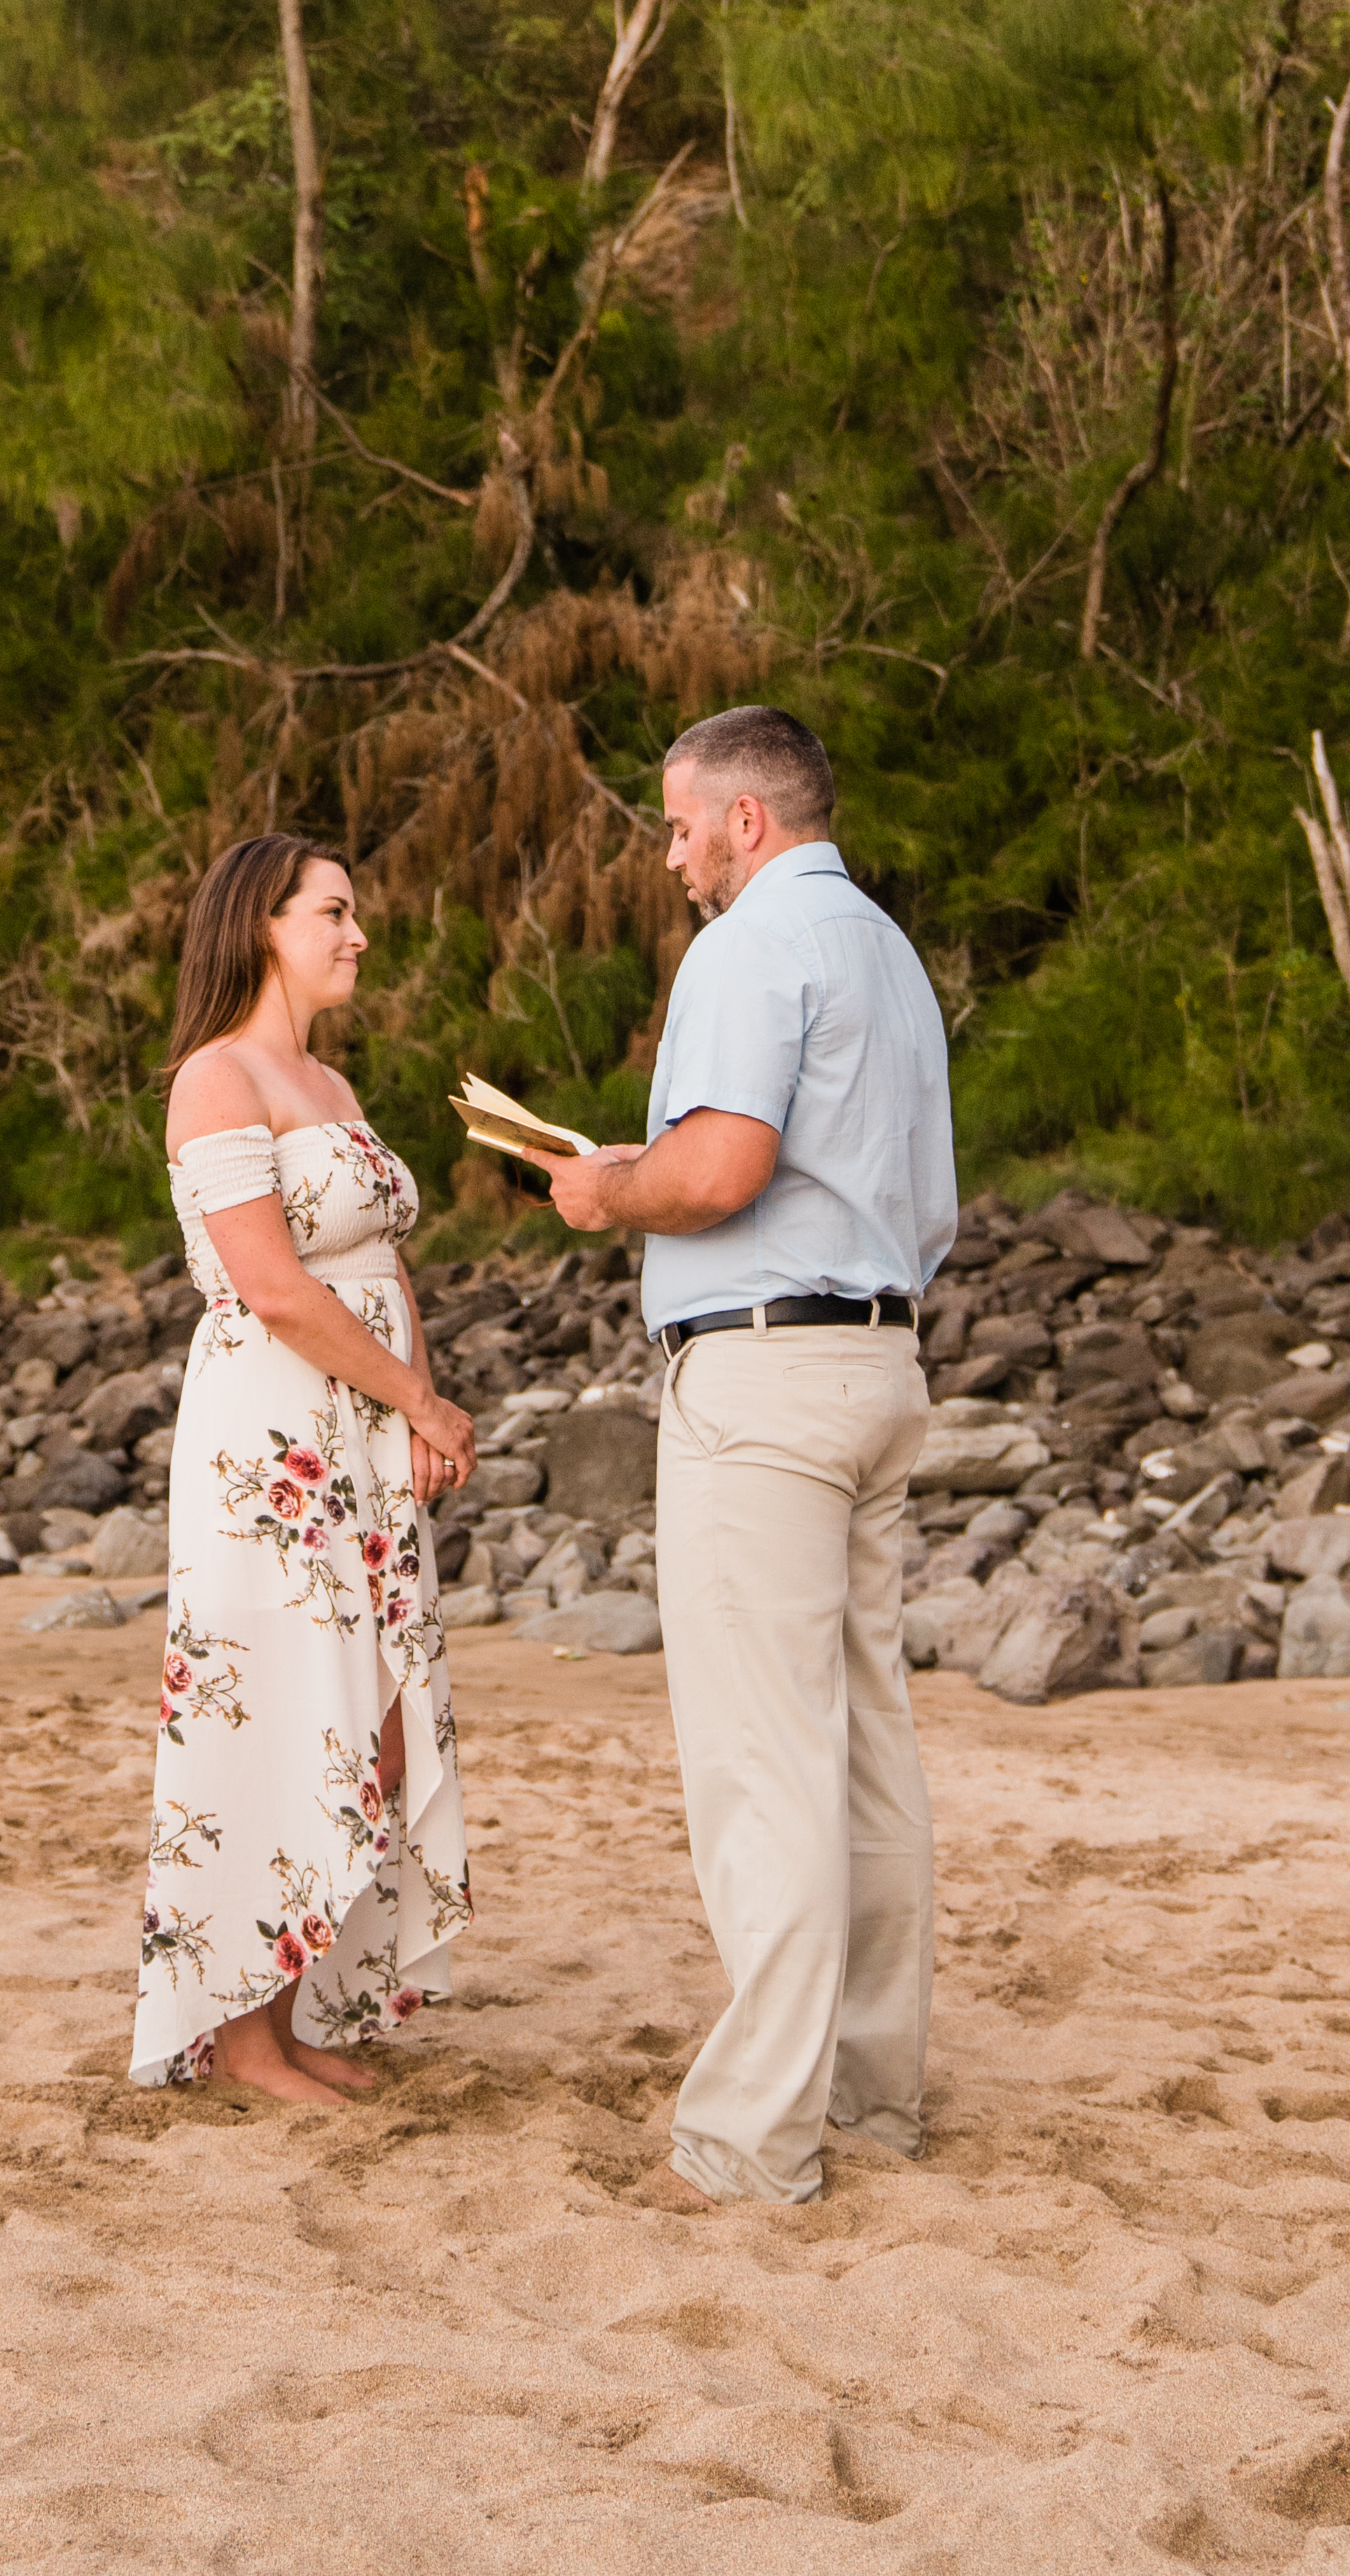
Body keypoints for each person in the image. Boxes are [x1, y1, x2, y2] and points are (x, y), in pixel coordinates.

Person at [548, 704, 956, 2205]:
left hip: (768, 1377)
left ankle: (752, 2138)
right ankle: (872, 2096)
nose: (665, 859)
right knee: (862, 1743)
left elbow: (718, 1171)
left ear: (741, 820)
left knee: (759, 1761)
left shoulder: (746, 946)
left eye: (673, 827)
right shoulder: (888, 954)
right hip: (880, 1357)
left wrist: (604, 1190)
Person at [132, 832, 477, 2100]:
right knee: (282, 1713)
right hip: (271, 1440)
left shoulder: (330, 1086)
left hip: (366, 1435)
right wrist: (420, 1401)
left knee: (372, 1722)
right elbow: (273, 1288)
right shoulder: (217, 1080)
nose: (357, 935)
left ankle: (294, 2005)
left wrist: (416, 1416)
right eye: (332, 912)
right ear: (260, 924)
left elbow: (381, 1263)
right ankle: (241, 2037)